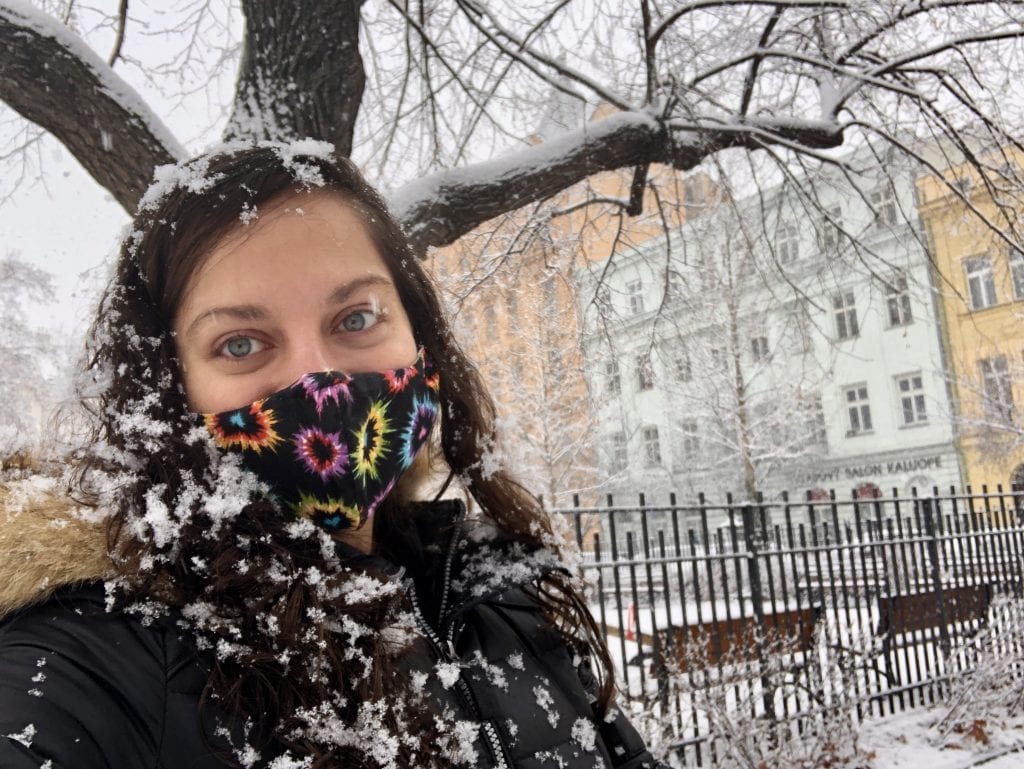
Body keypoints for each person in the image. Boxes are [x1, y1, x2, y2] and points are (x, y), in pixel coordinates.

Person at [0, 143, 667, 769]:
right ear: (167, 384)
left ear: (418, 336)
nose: (319, 379)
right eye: (240, 343)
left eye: (354, 319)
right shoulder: (106, 654)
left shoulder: (492, 596)